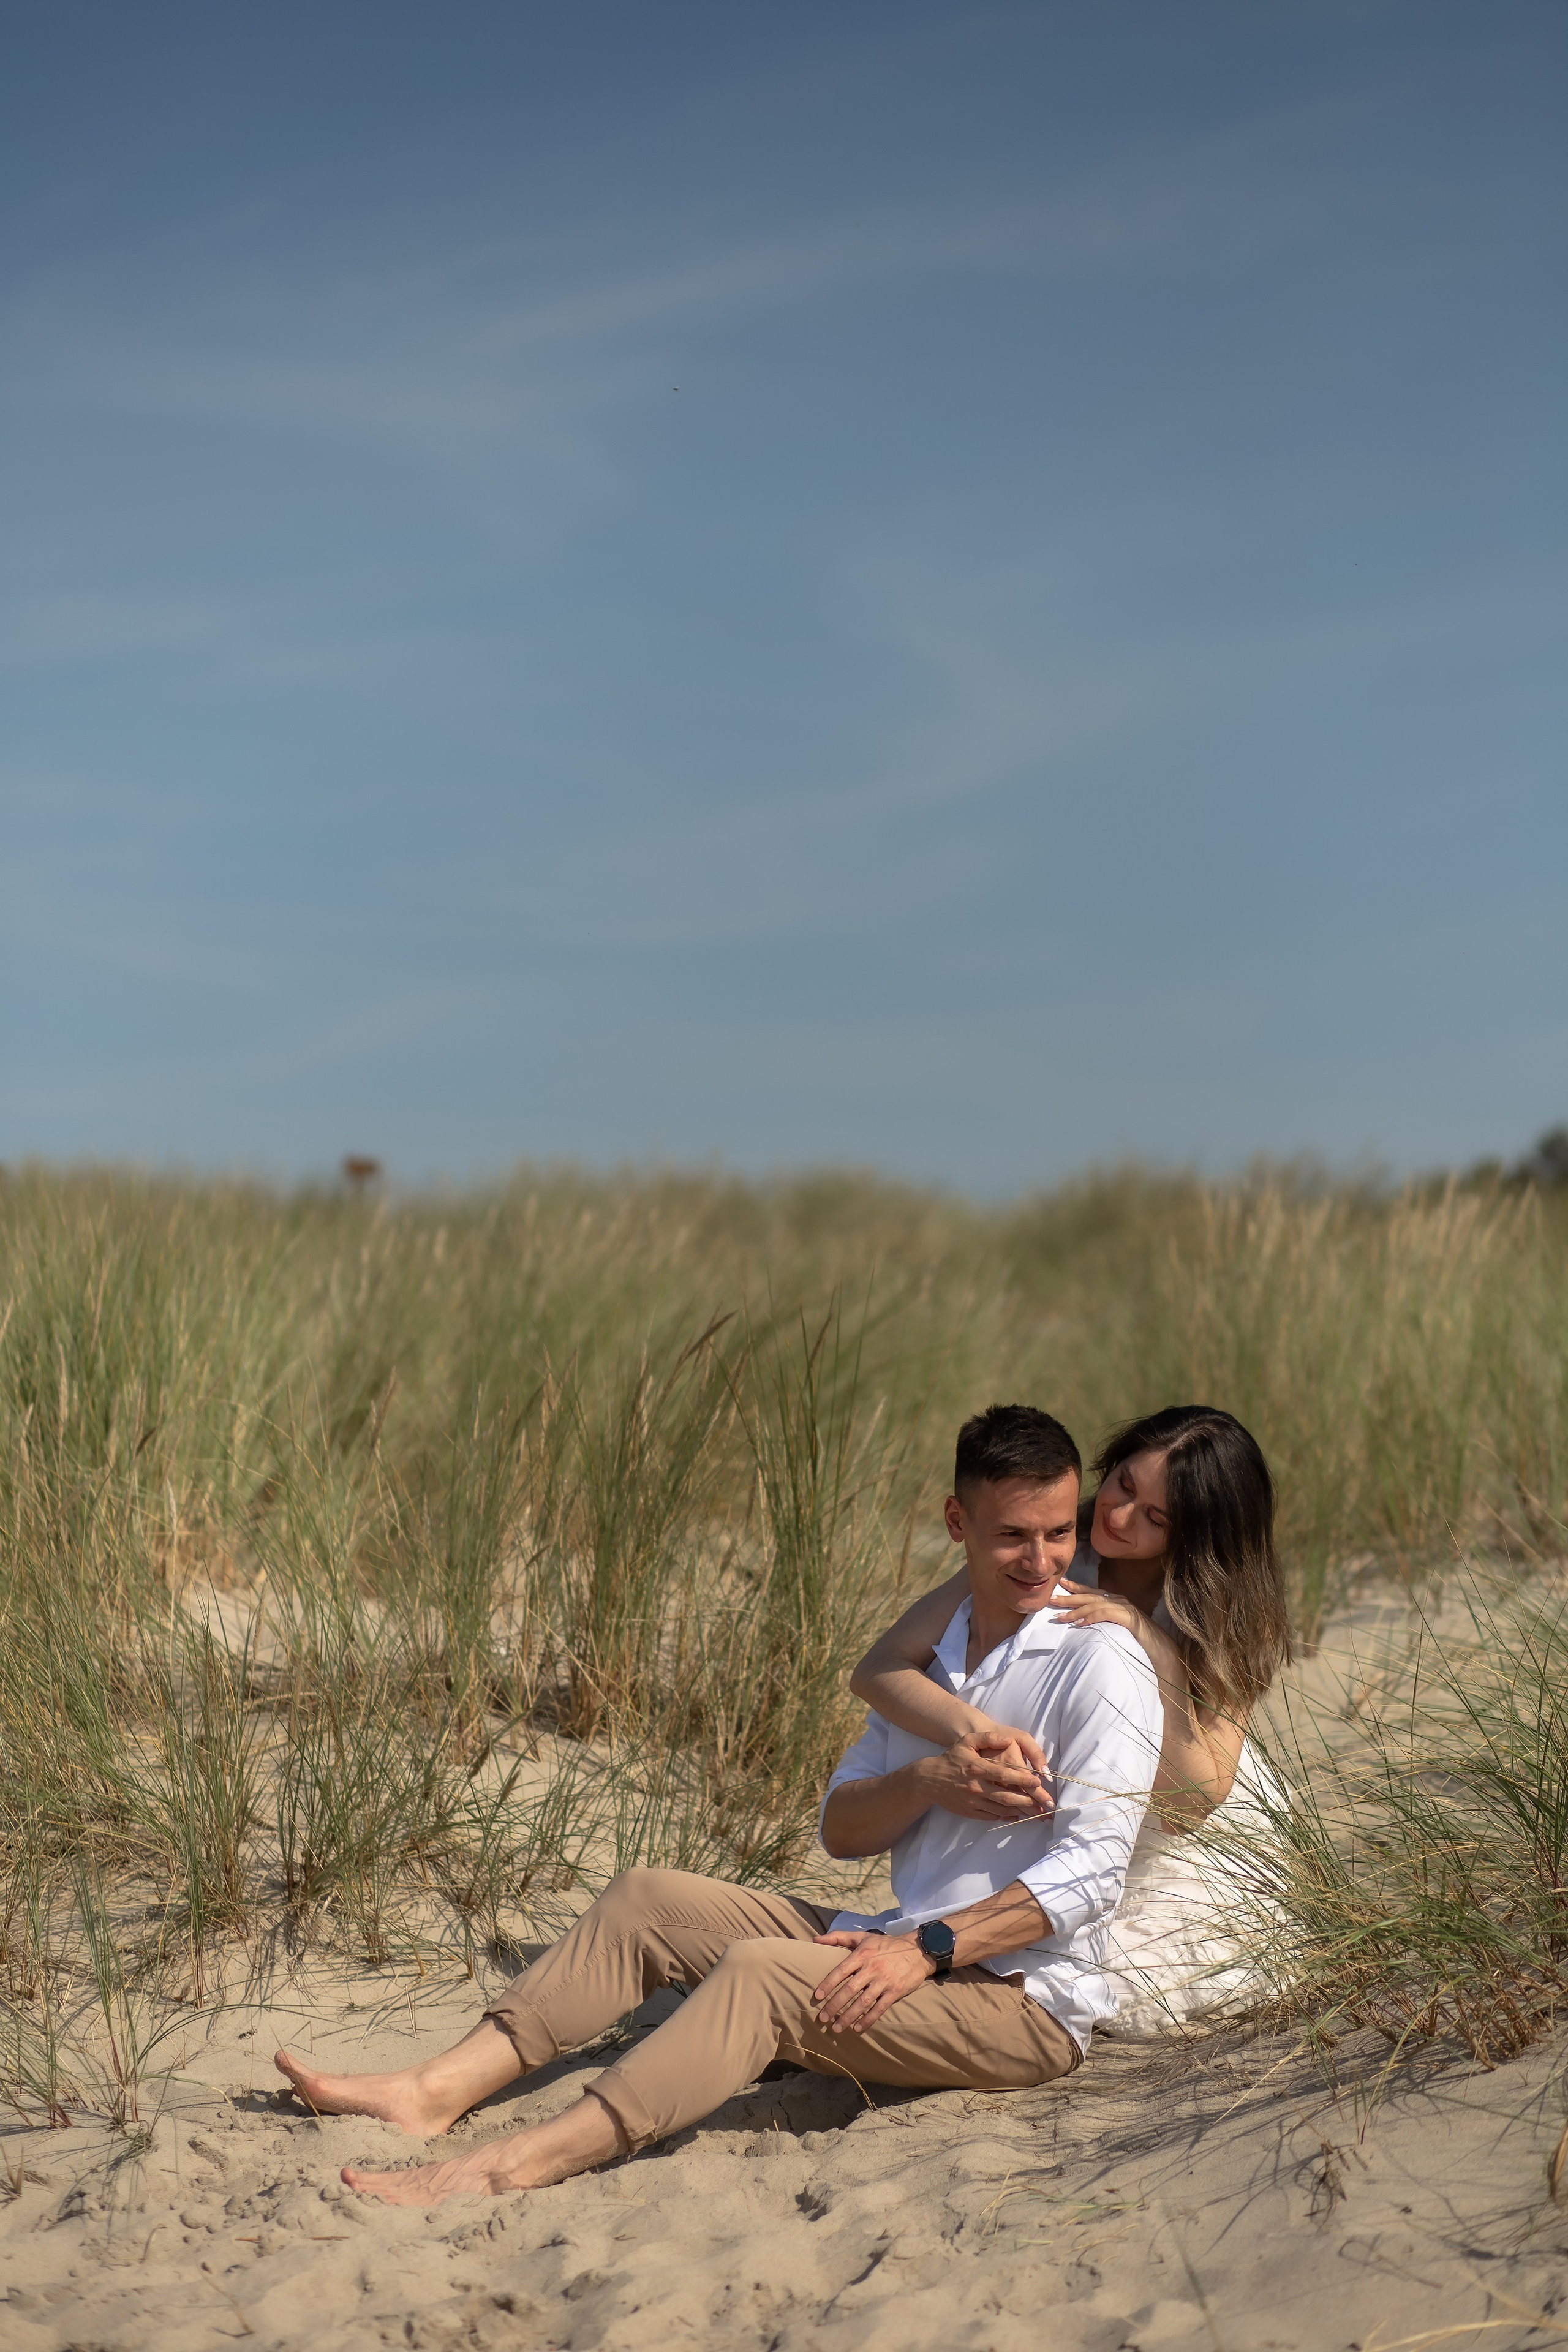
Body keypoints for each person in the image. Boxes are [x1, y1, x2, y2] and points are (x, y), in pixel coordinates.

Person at [274, 1404, 1163, 2204]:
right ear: (957, 1522)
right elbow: (842, 1827)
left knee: (759, 1976)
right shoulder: (938, 1657)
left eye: (1056, 1532)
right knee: (646, 1900)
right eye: (1014, 1535)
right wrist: (929, 1782)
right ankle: (434, 2093)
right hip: (899, 1935)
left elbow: (1092, 1877)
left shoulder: (1099, 1662)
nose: (1042, 1560)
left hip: (1023, 2001)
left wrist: (925, 1950)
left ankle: (512, 2164)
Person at [851, 1404, 1292, 2030]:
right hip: (1061, 1809)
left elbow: (1192, 1803)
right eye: (1122, 1485)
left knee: (1079, 1984)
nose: (1117, 1516)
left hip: (1173, 1835)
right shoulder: (1050, 1546)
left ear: (1197, 1534)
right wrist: (975, 1731)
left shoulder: (1219, 1608)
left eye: (1155, 1517)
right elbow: (876, 1669)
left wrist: (1153, 1648)